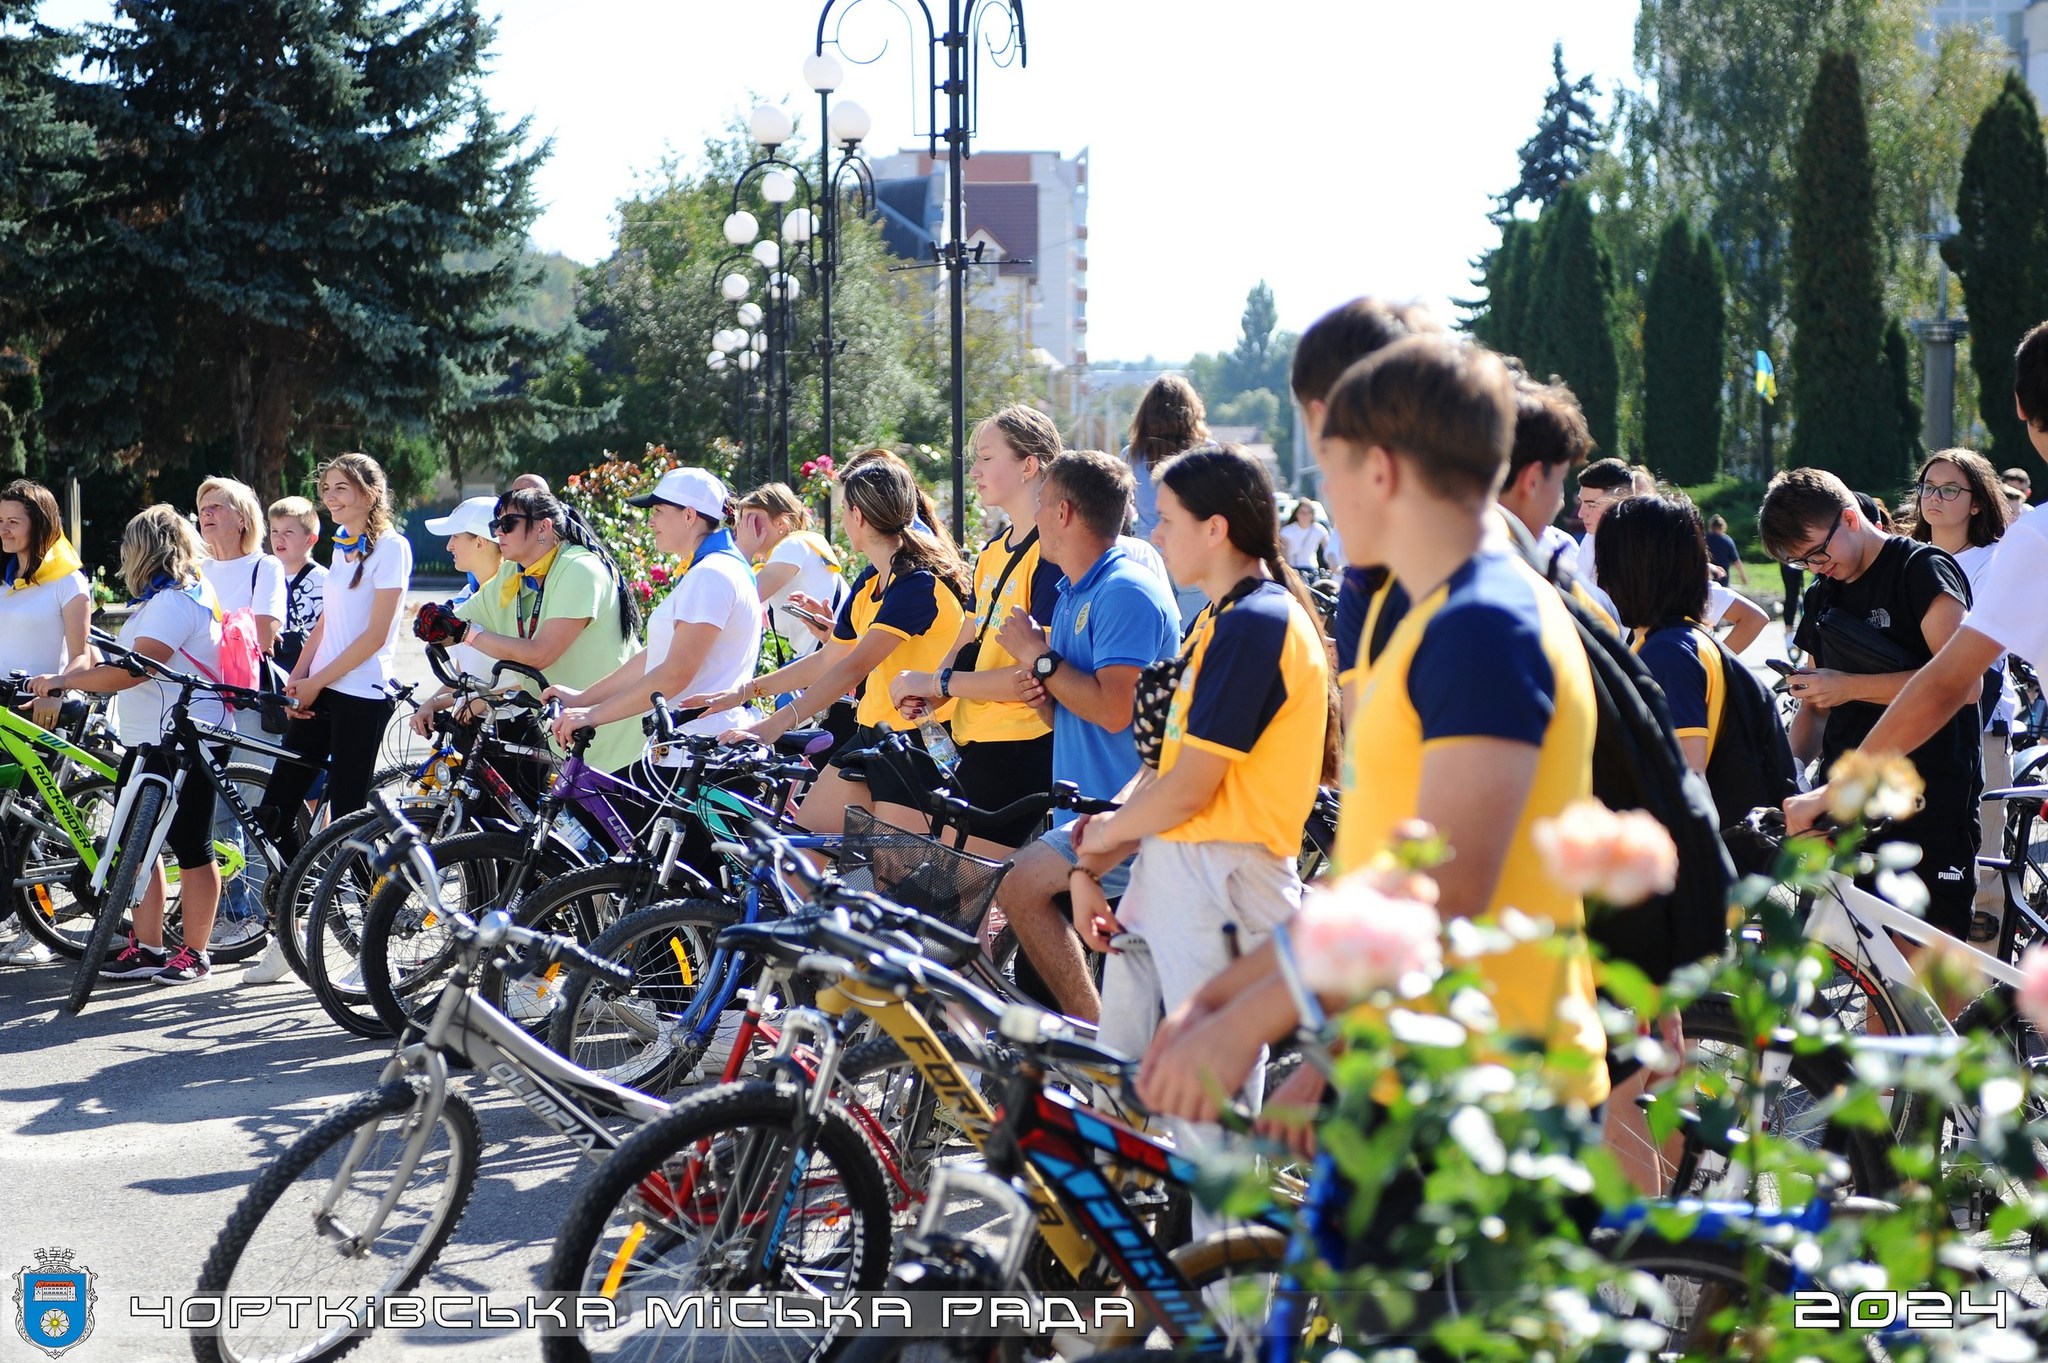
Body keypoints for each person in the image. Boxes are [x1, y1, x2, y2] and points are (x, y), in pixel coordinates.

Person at [1138, 334, 1609, 1119]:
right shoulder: (1435, 617)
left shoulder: (1482, 622)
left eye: (1330, 467)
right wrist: (1220, 1006)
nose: (1315, 496)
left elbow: (1444, 883)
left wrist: (1247, 1021)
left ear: (1380, 470)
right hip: (1420, 1074)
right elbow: (1373, 869)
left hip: (1489, 1095)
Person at [1074, 444, 1333, 1117]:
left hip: (1223, 872)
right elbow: (1162, 770)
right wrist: (1091, 861)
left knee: (1203, 1112)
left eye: (1166, 520)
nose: (1153, 535)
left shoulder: (1256, 622)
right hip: (1189, 869)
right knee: (1122, 1089)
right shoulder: (1219, 620)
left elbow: (1190, 787)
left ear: (1216, 528)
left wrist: (1103, 836)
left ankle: (1214, 1227)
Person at [1792, 320, 2048, 836]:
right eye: (1928, 486)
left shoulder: (2031, 541)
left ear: (2020, 403)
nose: (1936, 498)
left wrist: (1839, 787)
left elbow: (1951, 682)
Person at [981, 450, 1181, 1021]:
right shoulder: (1075, 591)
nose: (1035, 515)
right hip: (1080, 817)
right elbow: (1074, 710)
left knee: (1017, 889)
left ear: (1064, 512)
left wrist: (1039, 660)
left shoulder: (1124, 590)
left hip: (1121, 819)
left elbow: (1117, 711)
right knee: (1039, 978)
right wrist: (1046, 695)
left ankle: (1096, 1046)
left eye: (1042, 503)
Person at [688, 458, 968, 839]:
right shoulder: (873, 579)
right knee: (799, 857)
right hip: (875, 734)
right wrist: (741, 693)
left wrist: (772, 725)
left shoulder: (917, 584)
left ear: (858, 516)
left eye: (843, 511)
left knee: (895, 883)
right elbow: (827, 658)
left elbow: (852, 668)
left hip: (916, 744)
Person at [1767, 467, 1981, 944]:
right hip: (1847, 804)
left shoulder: (1922, 569)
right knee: (1861, 971)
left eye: (1817, 553)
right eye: (1801, 562)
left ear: (1848, 518)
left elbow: (1965, 686)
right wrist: (1792, 771)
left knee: (1919, 982)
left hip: (1927, 802)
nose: (1816, 567)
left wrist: (1847, 686)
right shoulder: (1823, 591)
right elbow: (1815, 707)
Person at [29, 507, 227, 984]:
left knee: (191, 847)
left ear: (145, 549)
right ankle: (150, 946)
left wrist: (61, 680)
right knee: (139, 849)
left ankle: (196, 953)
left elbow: (140, 668)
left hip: (188, 739)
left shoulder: (178, 601)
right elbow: (119, 660)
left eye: (127, 546)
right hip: (147, 739)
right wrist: (76, 666)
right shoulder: (159, 600)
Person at [890, 406, 1065, 854]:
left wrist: (935, 681)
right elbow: (969, 638)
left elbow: (1033, 678)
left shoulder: (1052, 551)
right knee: (948, 886)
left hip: (1021, 742)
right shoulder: (991, 551)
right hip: (976, 736)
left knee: (958, 890)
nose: (975, 470)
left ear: (1029, 465)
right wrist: (932, 691)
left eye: (986, 457)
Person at [252, 454, 413, 861]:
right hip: (322, 685)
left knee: (348, 820)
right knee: (274, 809)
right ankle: (298, 898)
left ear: (371, 493)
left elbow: (376, 635)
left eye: (340, 488)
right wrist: (299, 676)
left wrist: (315, 681)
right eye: (326, 489)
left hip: (363, 693)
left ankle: (371, 913)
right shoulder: (342, 541)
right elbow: (326, 621)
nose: (330, 497)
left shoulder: (393, 548)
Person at [546, 467, 760, 767]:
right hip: (691, 747)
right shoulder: (714, 568)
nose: (651, 521)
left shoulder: (711, 574)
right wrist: (583, 698)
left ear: (689, 516)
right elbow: (657, 657)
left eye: (658, 511)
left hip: (696, 753)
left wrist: (593, 715)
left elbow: (676, 672)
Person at [1901, 447, 2017, 940]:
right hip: (1913, 727)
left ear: (1976, 503)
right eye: (1929, 487)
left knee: (1983, 867)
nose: (1936, 498)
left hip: (1981, 724)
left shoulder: (1997, 559)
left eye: (1951, 489)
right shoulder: (1901, 556)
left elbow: (1979, 664)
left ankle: (1983, 1006)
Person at [455, 486, 643, 773]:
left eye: (508, 524)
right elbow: (456, 622)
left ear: (544, 527)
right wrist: (435, 623)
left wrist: (467, 634)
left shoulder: (579, 568)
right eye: (496, 525)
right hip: (572, 738)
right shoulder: (512, 572)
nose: (498, 533)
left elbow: (541, 653)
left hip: (622, 739)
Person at [0, 480, 93, 968]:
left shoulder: (67, 578)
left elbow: (83, 654)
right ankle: (12, 917)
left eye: (14, 521)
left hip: (41, 712)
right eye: (0, 521)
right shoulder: (6, 573)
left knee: (29, 821)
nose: (4, 530)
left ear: (41, 523)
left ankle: (37, 922)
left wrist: (56, 688)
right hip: (1, 709)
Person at [408, 496, 511, 737]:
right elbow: (464, 675)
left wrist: (479, 703)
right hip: (475, 727)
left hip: (511, 729)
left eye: (455, 536)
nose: (448, 546)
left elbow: (532, 667)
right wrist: (431, 703)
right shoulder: (467, 593)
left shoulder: (511, 595)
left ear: (480, 542)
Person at [1122, 374, 1212, 627]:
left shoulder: (1130, 455)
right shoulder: (1208, 453)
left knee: (1153, 633)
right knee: (1194, 633)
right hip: (1191, 550)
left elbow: (1126, 512)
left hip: (1145, 553)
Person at [734, 482, 844, 667]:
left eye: (752, 520)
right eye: (742, 520)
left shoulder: (793, 546)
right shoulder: (789, 552)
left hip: (832, 659)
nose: (744, 528)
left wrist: (743, 550)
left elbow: (742, 597)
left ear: (781, 524)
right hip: (826, 656)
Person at [267, 497, 326, 675]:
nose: (278, 538)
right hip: (275, 673)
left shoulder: (323, 580)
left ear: (310, 539)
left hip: (311, 674)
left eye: (288, 532)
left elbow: (329, 633)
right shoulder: (267, 576)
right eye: (274, 531)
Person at [1571, 457, 1634, 620]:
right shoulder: (1590, 541)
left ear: (1621, 496)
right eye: (1581, 504)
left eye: (1591, 505)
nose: (1581, 513)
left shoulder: (1649, 542)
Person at [1278, 498, 1330, 577]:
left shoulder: (1319, 530)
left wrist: (1333, 565)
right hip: (1293, 569)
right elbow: (1284, 554)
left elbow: (1328, 550)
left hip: (1312, 569)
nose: (1306, 516)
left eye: (1309, 513)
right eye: (1302, 513)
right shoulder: (1287, 531)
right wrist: (1289, 571)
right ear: (1297, 514)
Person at [1705, 514, 1747, 587]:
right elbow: (1736, 561)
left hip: (1706, 578)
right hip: (1722, 578)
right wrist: (1743, 577)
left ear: (1711, 527)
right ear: (1723, 527)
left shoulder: (1704, 539)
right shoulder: (1726, 541)